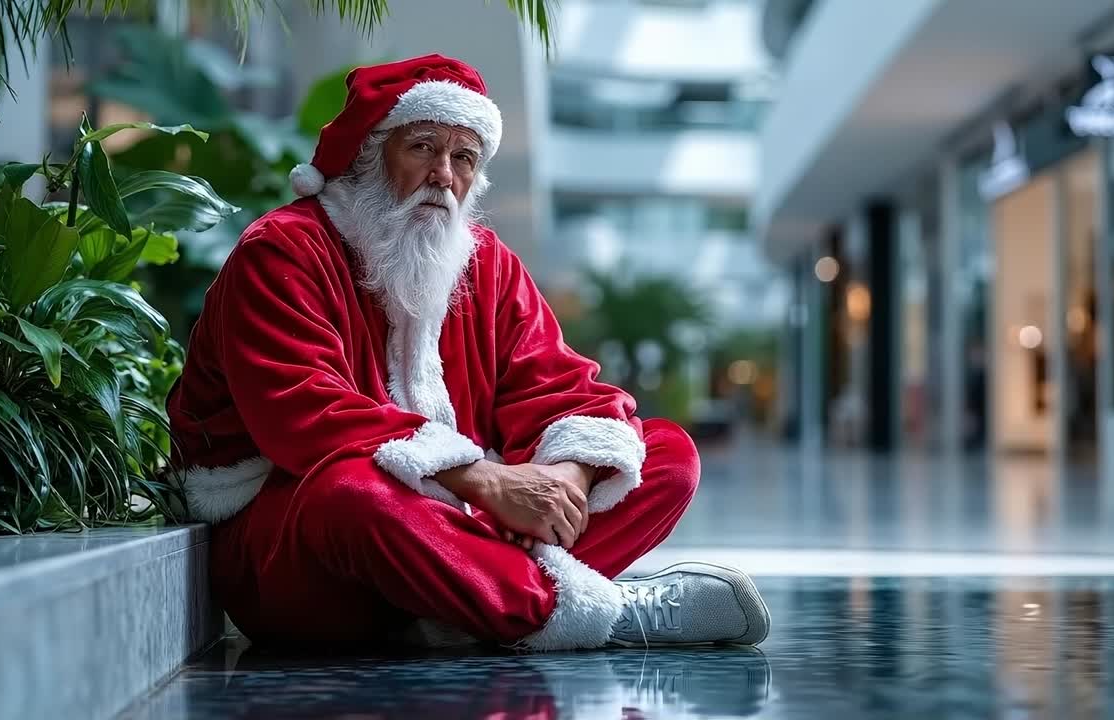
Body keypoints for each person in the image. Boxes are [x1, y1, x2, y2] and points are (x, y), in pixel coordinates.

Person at [167, 54, 770, 652]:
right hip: (297, 547)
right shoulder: (284, 249)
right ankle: (599, 614)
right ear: (369, 155)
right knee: (351, 496)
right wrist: (483, 479)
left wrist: (568, 475)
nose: (444, 175)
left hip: (451, 532)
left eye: (463, 158)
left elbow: (563, 390)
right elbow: (301, 413)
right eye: (423, 147)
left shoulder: (487, 262)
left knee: (664, 456)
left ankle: (464, 608)